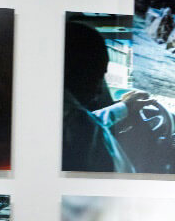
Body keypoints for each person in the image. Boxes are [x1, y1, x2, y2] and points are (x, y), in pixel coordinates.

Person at [62, 21, 150, 174]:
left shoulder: (70, 118)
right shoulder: (78, 124)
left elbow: (94, 120)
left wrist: (124, 106)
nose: (98, 90)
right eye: (96, 77)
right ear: (72, 72)